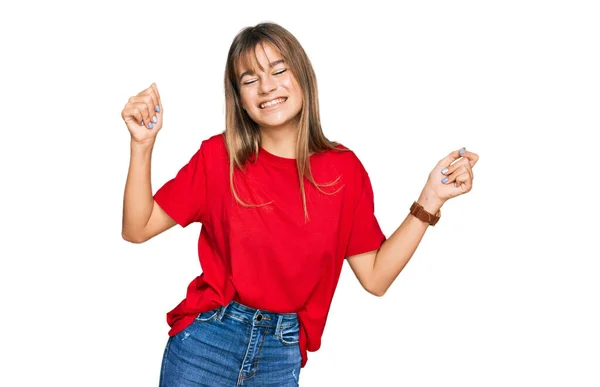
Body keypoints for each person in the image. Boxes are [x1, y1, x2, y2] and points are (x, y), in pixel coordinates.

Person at [121, 22, 478, 387]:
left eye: (278, 70)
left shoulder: (343, 170)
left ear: (302, 77)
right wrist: (142, 145)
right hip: (207, 344)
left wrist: (430, 199)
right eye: (249, 79)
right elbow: (137, 228)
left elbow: (375, 277)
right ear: (239, 98)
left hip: (281, 353)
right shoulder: (219, 157)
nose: (267, 87)